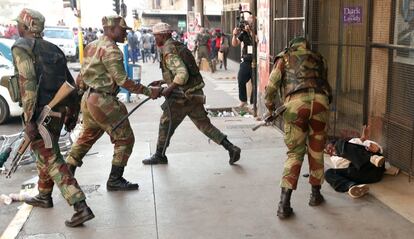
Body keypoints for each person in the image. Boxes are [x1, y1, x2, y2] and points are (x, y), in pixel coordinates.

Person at [12, 8, 94, 227]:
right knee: (44, 154)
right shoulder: (54, 49)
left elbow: (27, 83)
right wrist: (73, 113)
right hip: (57, 114)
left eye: (20, 24)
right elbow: (70, 83)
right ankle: (44, 195)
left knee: (52, 158)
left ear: (28, 27)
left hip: (40, 114)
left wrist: (30, 120)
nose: (17, 27)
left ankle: (80, 205)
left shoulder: (22, 47)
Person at [65, 16, 162, 191]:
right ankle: (115, 179)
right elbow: (123, 80)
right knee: (125, 139)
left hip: (88, 99)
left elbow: (81, 77)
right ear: (111, 30)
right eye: (122, 29)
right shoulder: (112, 50)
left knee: (86, 137)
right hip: (103, 101)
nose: (125, 32)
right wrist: (149, 92)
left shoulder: (91, 46)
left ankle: (67, 176)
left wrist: (78, 102)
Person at [142, 22, 241, 165]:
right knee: (205, 125)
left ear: (163, 36)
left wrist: (168, 90)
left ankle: (159, 155)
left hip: (181, 97)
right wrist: (163, 81)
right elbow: (180, 71)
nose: (155, 39)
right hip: (193, 94)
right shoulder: (177, 46)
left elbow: (182, 74)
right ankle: (231, 148)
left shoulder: (169, 50)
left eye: (156, 36)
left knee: (165, 123)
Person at [264, 37, 333, 219]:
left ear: (292, 46)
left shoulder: (284, 58)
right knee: (317, 150)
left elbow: (271, 87)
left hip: (295, 106)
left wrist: (270, 107)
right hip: (320, 103)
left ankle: (284, 204)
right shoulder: (319, 58)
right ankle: (316, 195)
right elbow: (326, 84)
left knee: (295, 153)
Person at [325, 125, 386, 198]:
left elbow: (371, 145)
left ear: (334, 144)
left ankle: (372, 158)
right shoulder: (335, 160)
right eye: (328, 151)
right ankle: (352, 187)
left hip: (374, 166)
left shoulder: (351, 143)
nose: (330, 150)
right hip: (367, 175)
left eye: (330, 147)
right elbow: (344, 165)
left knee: (342, 145)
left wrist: (378, 149)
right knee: (328, 173)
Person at [232, 18, 254, 107]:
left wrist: (251, 32)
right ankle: (243, 100)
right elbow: (235, 43)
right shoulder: (243, 34)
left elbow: (256, 40)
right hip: (245, 60)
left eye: (250, 23)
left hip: (255, 61)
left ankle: (253, 102)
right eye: (247, 23)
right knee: (241, 79)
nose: (247, 25)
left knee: (254, 83)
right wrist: (234, 35)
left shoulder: (256, 32)